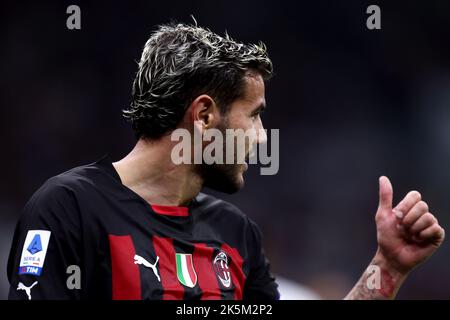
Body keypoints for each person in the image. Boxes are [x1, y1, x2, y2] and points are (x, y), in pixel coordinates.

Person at [7, 22, 445, 300]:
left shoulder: (235, 234)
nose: (260, 138)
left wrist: (386, 269)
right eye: (254, 116)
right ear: (202, 116)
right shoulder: (68, 209)